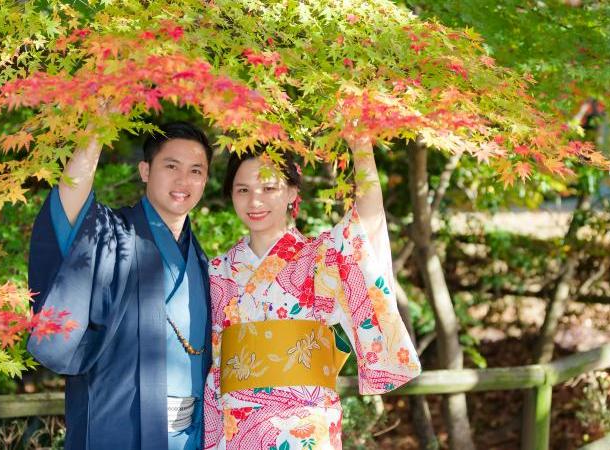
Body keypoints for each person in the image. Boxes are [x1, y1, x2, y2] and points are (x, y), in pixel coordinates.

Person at [203, 139, 421, 449]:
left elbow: (367, 221)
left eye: (268, 188)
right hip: (233, 425)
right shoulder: (216, 271)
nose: (255, 201)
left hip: (304, 424)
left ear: (292, 192)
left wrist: (361, 147)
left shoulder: (321, 257)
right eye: (243, 190)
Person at [27, 122, 213, 450]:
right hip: (121, 429)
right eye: (171, 166)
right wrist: (97, 129)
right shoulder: (115, 237)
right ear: (145, 170)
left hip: (190, 436)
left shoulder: (203, 261)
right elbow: (69, 205)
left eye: (196, 171)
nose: (183, 181)